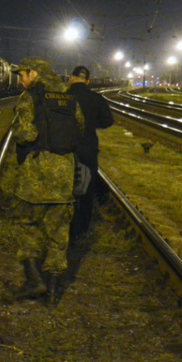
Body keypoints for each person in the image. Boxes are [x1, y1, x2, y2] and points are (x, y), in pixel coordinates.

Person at [10, 57, 84, 304]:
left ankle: (34, 281)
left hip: (37, 174)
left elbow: (24, 134)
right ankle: (53, 293)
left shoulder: (30, 98)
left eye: (22, 75)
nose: (20, 81)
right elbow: (80, 127)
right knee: (59, 232)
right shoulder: (69, 97)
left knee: (26, 224)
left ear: (34, 73)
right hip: (64, 174)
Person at [68, 66, 114, 240]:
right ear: (87, 81)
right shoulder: (96, 98)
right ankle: (82, 229)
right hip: (88, 148)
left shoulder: (64, 97)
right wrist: (93, 124)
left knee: (65, 188)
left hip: (66, 149)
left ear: (71, 78)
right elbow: (108, 121)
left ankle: (67, 226)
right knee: (87, 189)